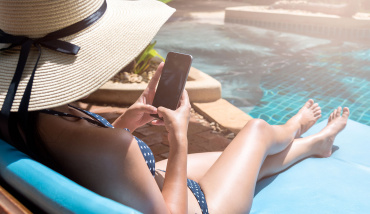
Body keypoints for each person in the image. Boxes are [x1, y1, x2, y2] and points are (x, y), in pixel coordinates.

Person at [0, 0, 350, 213]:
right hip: (197, 206)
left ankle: (311, 146)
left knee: (244, 160)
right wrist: (179, 136)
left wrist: (129, 118)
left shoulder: (24, 117)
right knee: (256, 131)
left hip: (137, 183)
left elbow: (92, 154)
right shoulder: (112, 146)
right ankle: (297, 130)